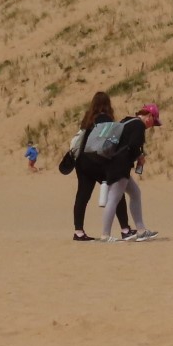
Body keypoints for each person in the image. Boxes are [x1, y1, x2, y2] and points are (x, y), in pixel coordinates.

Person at [67, 91, 131, 242]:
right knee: (117, 191)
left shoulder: (87, 119)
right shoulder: (105, 118)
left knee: (82, 195)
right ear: (107, 104)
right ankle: (125, 229)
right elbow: (109, 143)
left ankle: (79, 231)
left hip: (81, 161)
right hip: (96, 161)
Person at [98, 103, 161, 242]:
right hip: (120, 166)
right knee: (113, 199)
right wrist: (139, 157)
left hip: (112, 163)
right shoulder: (139, 126)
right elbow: (133, 146)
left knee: (135, 193)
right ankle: (105, 235)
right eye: (154, 121)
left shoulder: (127, 121)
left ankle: (141, 230)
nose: (152, 125)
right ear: (149, 116)